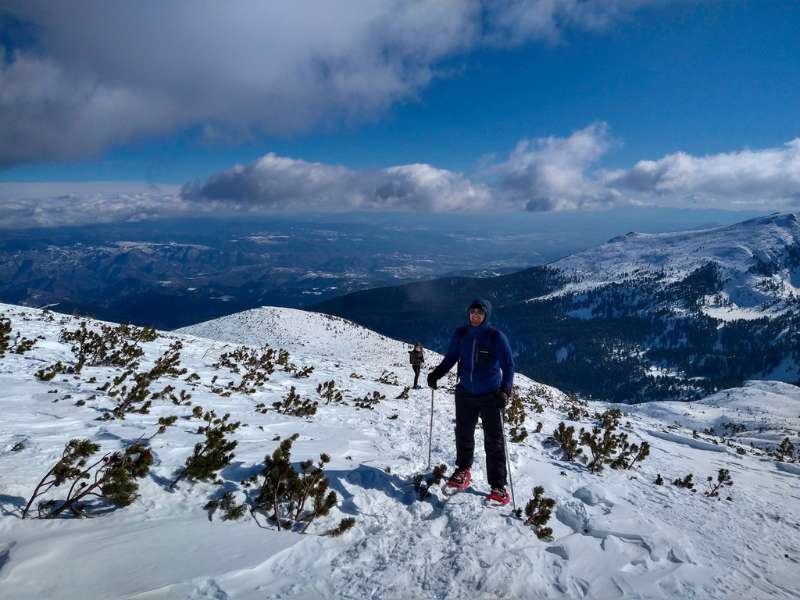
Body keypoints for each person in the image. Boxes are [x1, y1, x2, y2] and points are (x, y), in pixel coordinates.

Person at [427, 298, 515, 505]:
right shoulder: (461, 334)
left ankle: (498, 486)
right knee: (463, 433)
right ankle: (463, 470)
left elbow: (509, 365)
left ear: (486, 315)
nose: (475, 316)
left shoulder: (495, 337)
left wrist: (505, 391)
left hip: (491, 396)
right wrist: (436, 374)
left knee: (494, 441)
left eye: (480, 313)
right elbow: (451, 357)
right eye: (472, 312)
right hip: (465, 392)